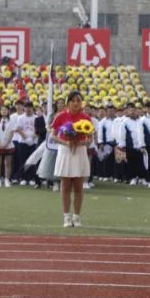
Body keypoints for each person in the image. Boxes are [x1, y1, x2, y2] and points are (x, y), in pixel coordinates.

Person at [51, 90, 93, 228]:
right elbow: (53, 135)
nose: (76, 103)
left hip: (80, 151)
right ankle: (66, 217)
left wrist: (79, 142)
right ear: (68, 103)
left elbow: (90, 139)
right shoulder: (61, 116)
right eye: (73, 101)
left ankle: (77, 217)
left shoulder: (86, 118)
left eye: (78, 101)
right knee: (65, 186)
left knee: (78, 186)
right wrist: (66, 142)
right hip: (65, 151)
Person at [0, 105, 16, 187]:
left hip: (8, 145)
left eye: (5, 110)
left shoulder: (11, 121)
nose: (4, 111)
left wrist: (6, 144)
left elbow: (12, 134)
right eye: (2, 110)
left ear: (8, 111)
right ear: (0, 111)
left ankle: (7, 180)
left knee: (7, 163)